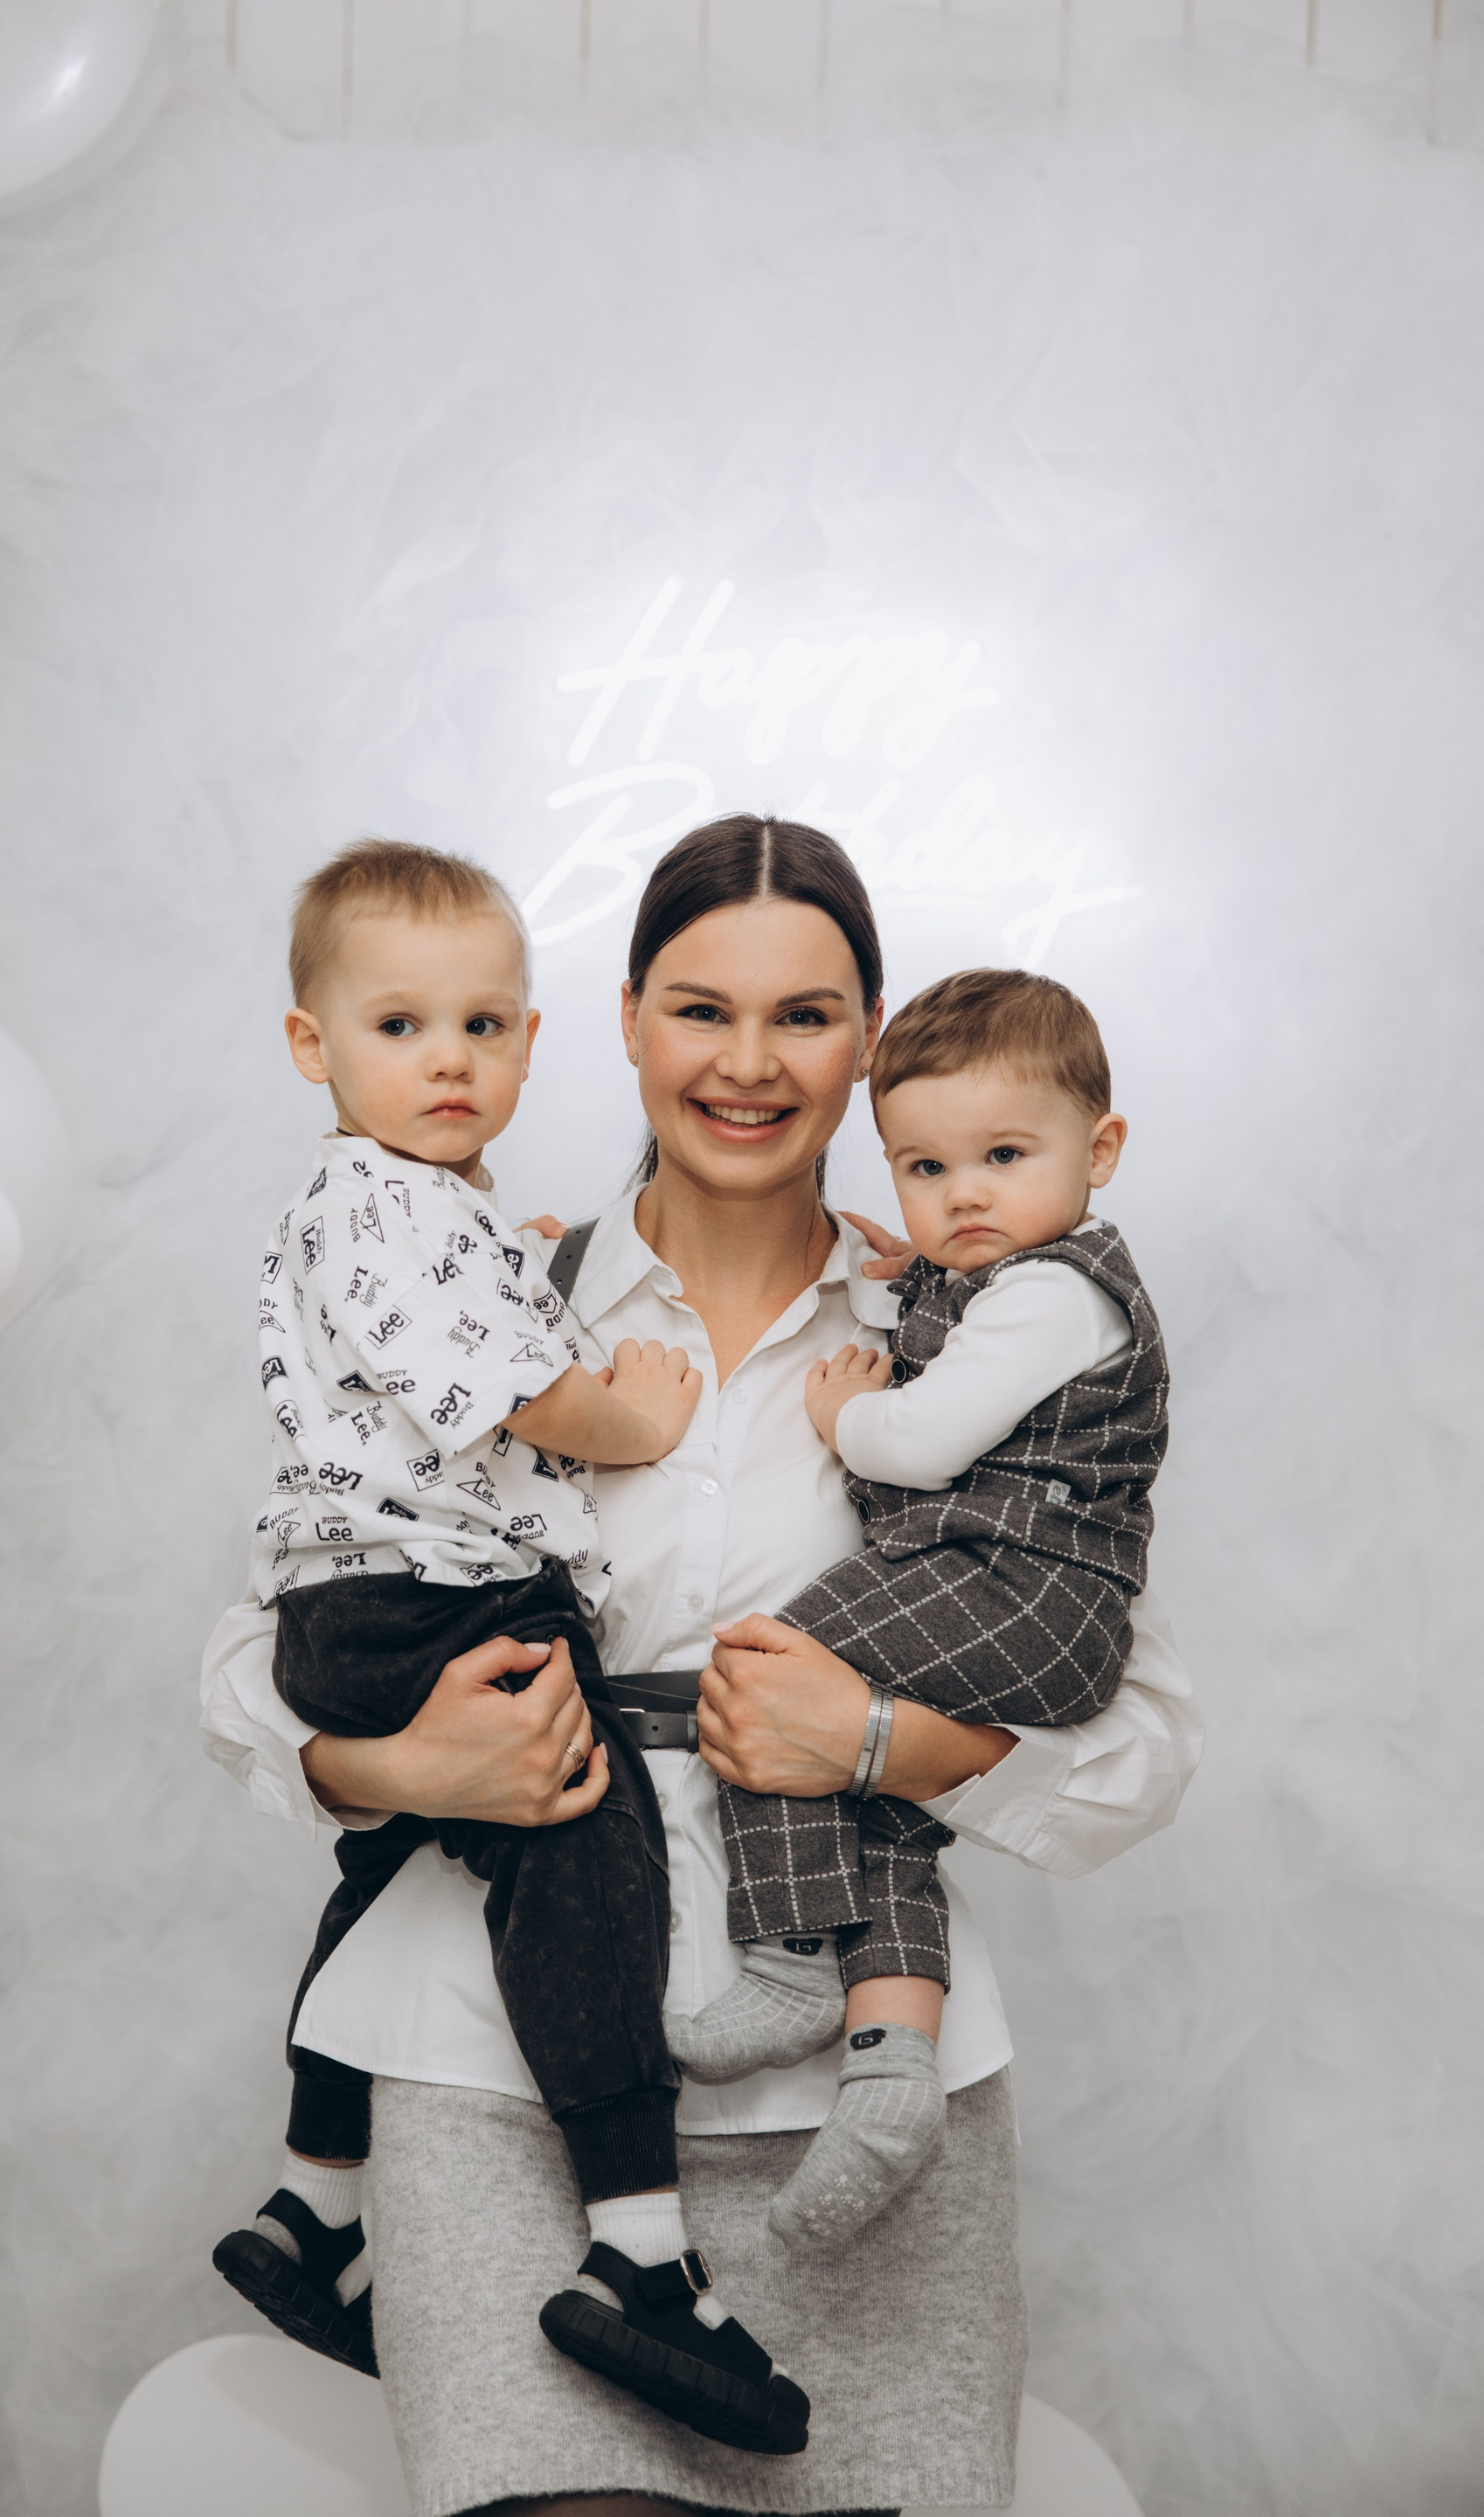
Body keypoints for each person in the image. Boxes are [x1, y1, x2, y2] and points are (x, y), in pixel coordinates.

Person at [202, 812, 1203, 2517]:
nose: (748, 1062)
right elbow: (260, 1645)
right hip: (495, 2080)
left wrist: (882, 1740)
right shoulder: (492, 1301)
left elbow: (1143, 1736)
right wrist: (396, 1770)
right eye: (699, 1009)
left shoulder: (970, 1335)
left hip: (862, 2100)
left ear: (868, 1042)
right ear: (620, 1021)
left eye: (804, 1015)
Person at [212, 836, 808, 2456]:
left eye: (480, 1027)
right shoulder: (392, 1209)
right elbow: (529, 1399)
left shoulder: (441, 1215)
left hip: (376, 1602)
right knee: (585, 1837)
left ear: (533, 1041)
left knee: (393, 1868)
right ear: (311, 1044)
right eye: (399, 1026)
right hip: (436, 1606)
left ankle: (310, 2200)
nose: (449, 1061)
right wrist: (632, 1410)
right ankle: (639, 2249)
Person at [667, 967, 1168, 2252]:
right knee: (870, 1789)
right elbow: (966, 1310)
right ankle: (891, 2067)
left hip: (1023, 1587)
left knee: (769, 1665)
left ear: (1101, 1149)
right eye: (928, 1170)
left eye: (1004, 1157)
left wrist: (849, 1413)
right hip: (1032, 1598)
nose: (966, 1197)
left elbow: (926, 1439)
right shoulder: (1004, 1282)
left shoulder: (1053, 1294)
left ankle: (790, 1956)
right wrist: (927, 1275)